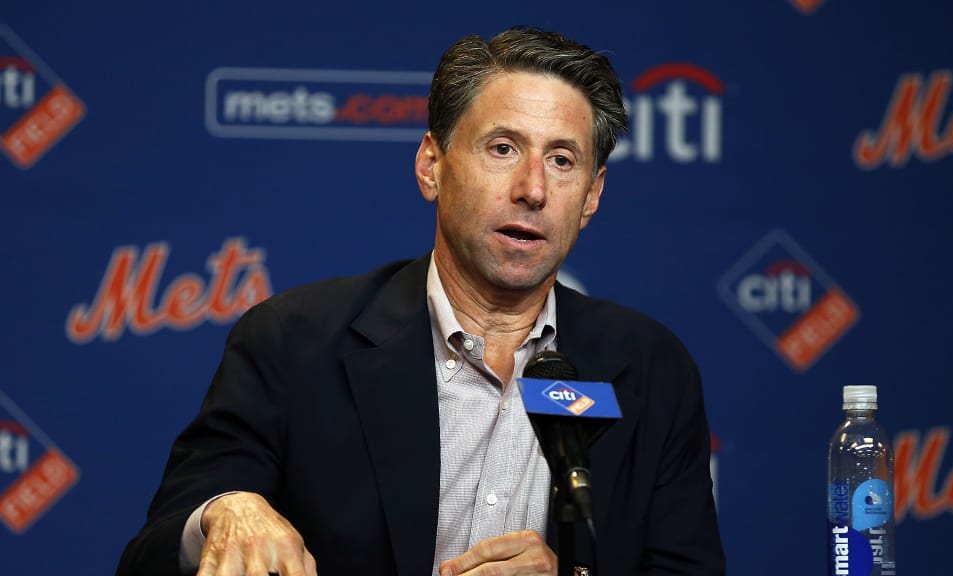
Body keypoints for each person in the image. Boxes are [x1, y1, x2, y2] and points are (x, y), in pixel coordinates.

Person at [117, 26, 725, 576]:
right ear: (432, 164)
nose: (533, 189)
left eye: (562, 161)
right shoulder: (292, 341)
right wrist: (224, 512)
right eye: (503, 148)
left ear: (591, 196)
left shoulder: (650, 369)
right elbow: (149, 558)